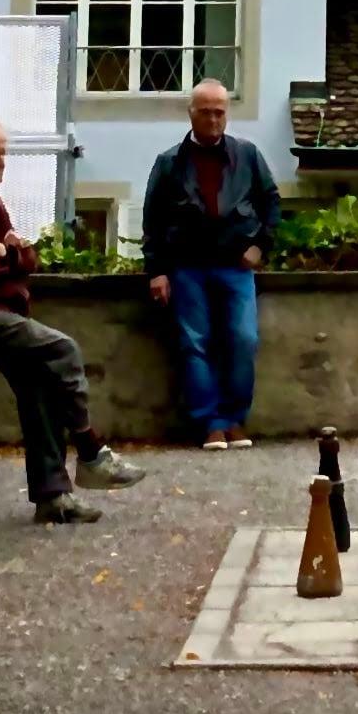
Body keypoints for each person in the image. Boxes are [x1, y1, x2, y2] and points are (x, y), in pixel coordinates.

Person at [0, 116, 144, 522]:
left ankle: (54, 499)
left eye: (4, 153)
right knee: (63, 350)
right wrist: (4, 254)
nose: (2, 162)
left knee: (39, 385)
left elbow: (26, 257)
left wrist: (9, 253)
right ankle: (91, 451)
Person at [141, 81, 282, 449]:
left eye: (220, 111)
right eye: (206, 111)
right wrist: (156, 270)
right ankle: (211, 424)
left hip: (236, 267)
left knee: (243, 339)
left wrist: (260, 245)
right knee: (194, 344)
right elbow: (153, 220)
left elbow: (271, 202)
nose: (214, 118)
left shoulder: (247, 155)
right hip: (187, 267)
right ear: (191, 113)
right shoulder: (169, 163)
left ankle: (235, 418)